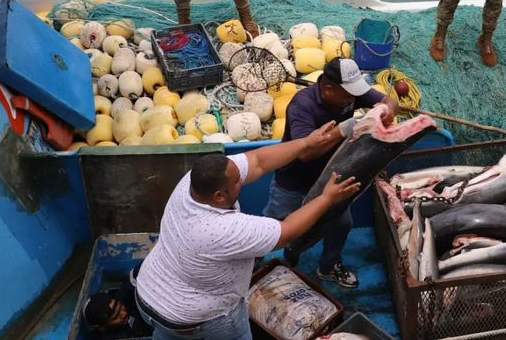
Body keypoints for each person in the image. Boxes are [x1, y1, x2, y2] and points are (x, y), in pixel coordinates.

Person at [135, 123, 360, 340]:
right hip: (192, 319)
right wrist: (327, 198)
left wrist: (306, 143)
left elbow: (258, 161)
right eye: (236, 182)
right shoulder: (221, 229)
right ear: (219, 196)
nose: (242, 179)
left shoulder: (193, 182)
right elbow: (288, 231)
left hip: (148, 295)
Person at [263, 57, 399, 288]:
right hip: (294, 180)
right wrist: (344, 129)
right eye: (348, 96)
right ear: (328, 89)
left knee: (342, 223)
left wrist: (386, 110)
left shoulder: (350, 94)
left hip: (331, 179)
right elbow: (305, 153)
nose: (352, 100)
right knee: (274, 224)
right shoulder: (301, 106)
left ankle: (329, 266)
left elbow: (390, 100)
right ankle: (258, 262)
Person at [84, 265, 152, 339]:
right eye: (116, 317)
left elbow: (138, 273)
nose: (124, 313)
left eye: (120, 307)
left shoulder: (123, 297)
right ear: (102, 327)